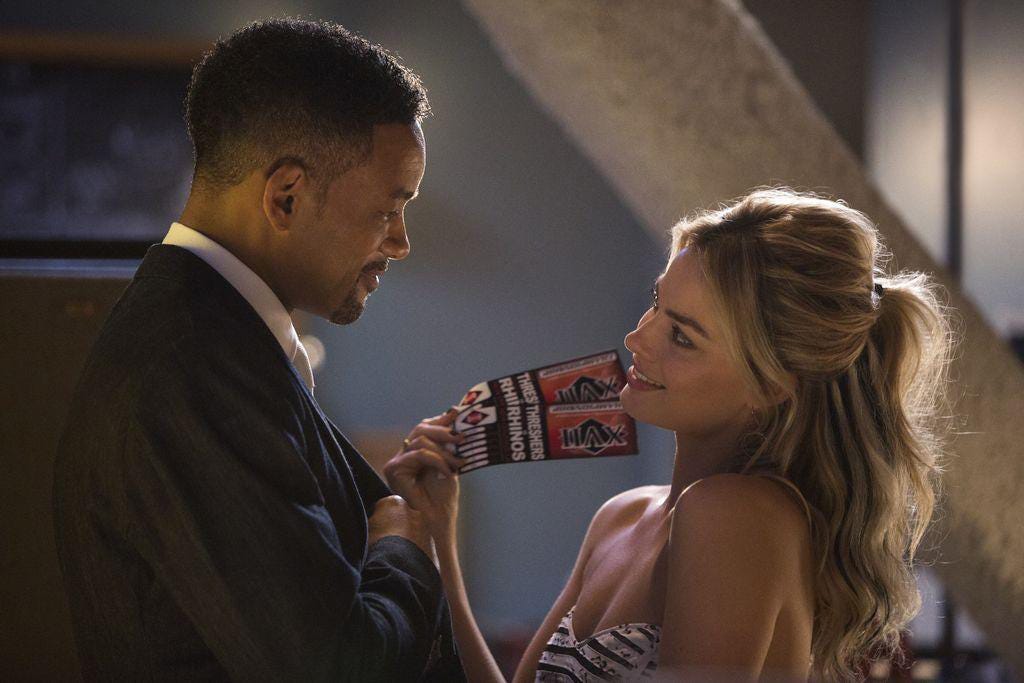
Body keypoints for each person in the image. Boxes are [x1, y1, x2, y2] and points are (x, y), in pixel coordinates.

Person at [386, 188, 959, 682]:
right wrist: (438, 539)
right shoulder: (622, 515)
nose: (638, 339)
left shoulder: (734, 514)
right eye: (657, 304)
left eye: (682, 337)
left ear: (770, 385)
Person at [53, 18, 466, 681]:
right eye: (389, 209)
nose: (400, 242)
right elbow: (333, 667)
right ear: (286, 197)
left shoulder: (216, 341)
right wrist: (404, 549)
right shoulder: (192, 368)